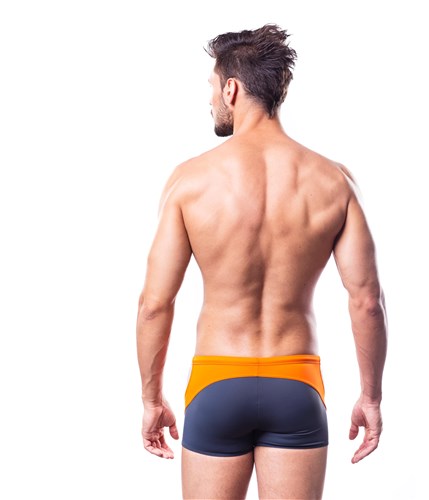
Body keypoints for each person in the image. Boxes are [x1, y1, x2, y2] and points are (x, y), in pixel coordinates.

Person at [136, 24, 387, 499]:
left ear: (231, 89)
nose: (211, 99)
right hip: (296, 384)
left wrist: (151, 399)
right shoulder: (334, 181)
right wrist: (371, 397)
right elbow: (367, 301)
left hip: (216, 381)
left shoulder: (190, 181)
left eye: (212, 88)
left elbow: (154, 304)